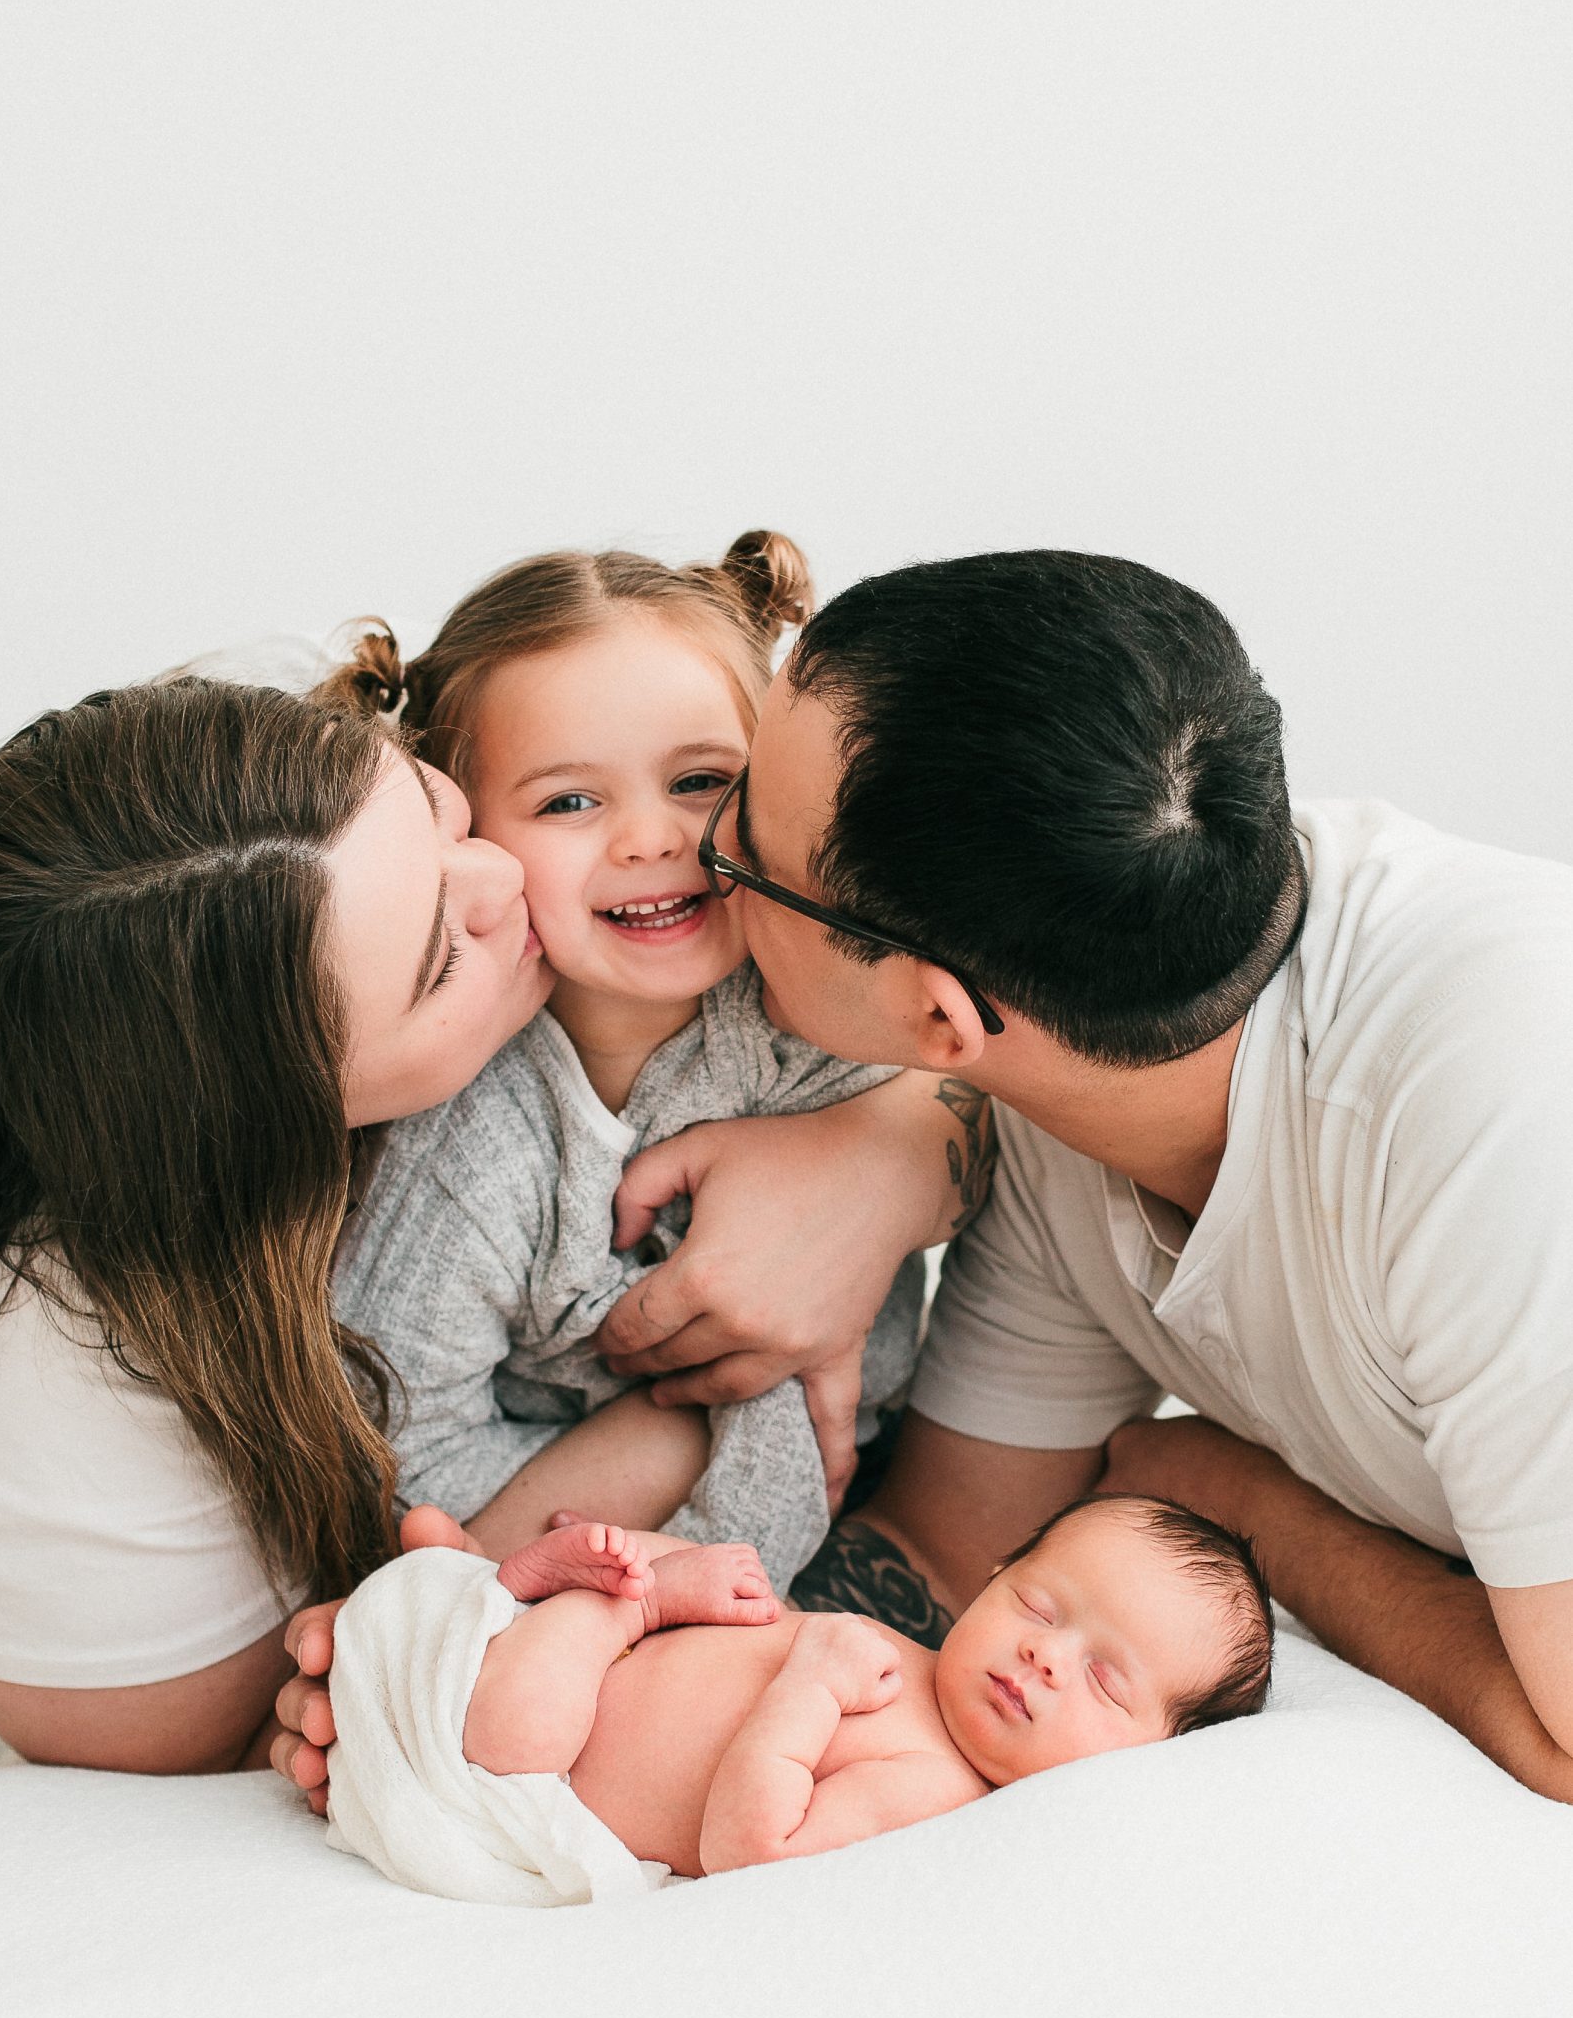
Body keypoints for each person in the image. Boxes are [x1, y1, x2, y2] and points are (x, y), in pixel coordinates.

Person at [0, 671, 976, 1794]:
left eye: (439, 808)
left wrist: (886, 1159)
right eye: (441, 958)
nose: (503, 876)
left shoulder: (286, 819)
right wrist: (727, 1395)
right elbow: (280, 1753)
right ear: (275, 1135)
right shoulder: (28, 1426)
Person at [584, 549, 1573, 1804]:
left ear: (939, 1017)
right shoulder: (1085, 1045)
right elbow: (943, 1554)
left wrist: (1234, 1495)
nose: (692, 845)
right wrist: (516, 1665)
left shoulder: (1499, 1113)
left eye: (737, 836)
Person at [322, 531, 924, 1592]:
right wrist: (695, 1439)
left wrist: (900, 1163)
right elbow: (407, 1473)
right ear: (466, 839)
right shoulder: (470, 1148)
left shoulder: (837, 1013)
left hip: (892, 1496)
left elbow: (1021, 1149)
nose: (651, 837)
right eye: (568, 800)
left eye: (700, 779)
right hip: (596, 1566)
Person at [318, 1490, 1273, 1899]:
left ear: (1156, 1762)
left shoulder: (936, 1790)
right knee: (696, 1576)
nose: (1047, 1655)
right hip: (583, 1664)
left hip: (541, 1763)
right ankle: (500, 1585)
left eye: (1105, 1679)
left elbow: (754, 1848)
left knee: (516, 1724)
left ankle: (561, 1598)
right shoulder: (923, 1664)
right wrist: (747, 1607)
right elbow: (770, 1639)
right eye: (1036, 1602)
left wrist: (809, 1688)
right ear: (992, 1574)